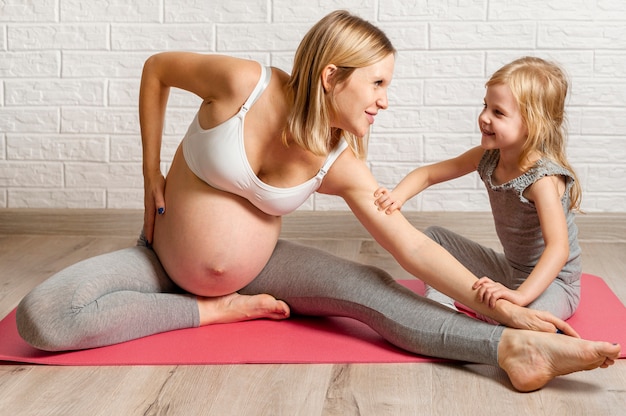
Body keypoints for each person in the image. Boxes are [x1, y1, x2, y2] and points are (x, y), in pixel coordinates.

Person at [15, 11, 619, 392]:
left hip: (263, 270)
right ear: (332, 76)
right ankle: (212, 311)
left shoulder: (342, 162)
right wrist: (149, 170)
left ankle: (514, 350)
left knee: (373, 291)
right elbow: (156, 69)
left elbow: (410, 246)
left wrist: (510, 313)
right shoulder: (245, 86)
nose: (385, 100)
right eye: (377, 83)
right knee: (43, 317)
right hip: (160, 263)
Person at [375, 57, 581, 324]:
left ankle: (499, 322)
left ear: (532, 124)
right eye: (486, 106)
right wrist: (397, 196)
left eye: (498, 113)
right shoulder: (487, 157)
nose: (484, 117)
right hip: (510, 269)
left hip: (555, 282)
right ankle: (442, 306)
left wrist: (519, 296)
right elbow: (427, 174)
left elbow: (558, 249)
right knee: (435, 238)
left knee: (525, 323)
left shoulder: (542, 179)